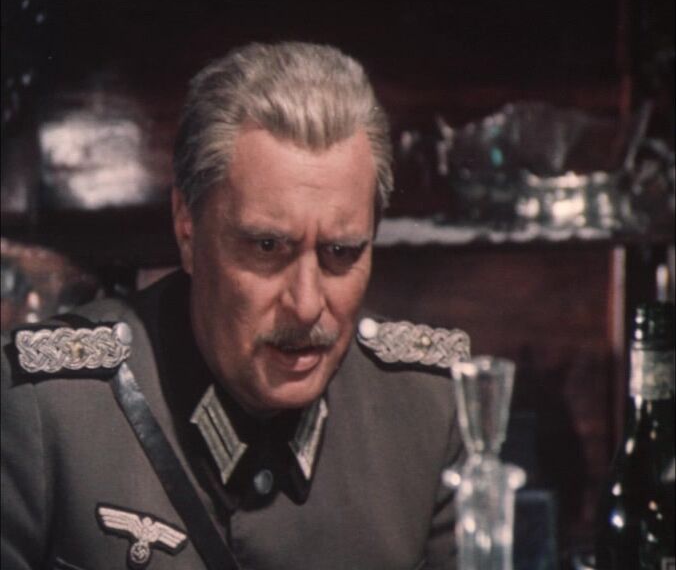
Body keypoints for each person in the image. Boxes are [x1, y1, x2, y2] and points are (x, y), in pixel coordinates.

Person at [1, 42, 469, 570]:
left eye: (341, 253)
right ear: (187, 228)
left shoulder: (426, 410)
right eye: (267, 247)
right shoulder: (48, 411)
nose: (306, 305)